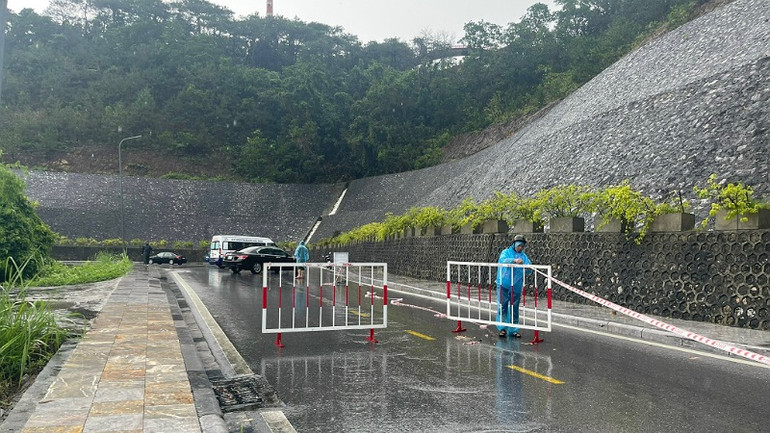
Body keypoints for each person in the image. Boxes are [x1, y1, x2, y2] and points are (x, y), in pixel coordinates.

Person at [495, 234, 532, 338]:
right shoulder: (506, 252)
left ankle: (513, 330)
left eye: (522, 246)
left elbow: (529, 268)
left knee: (514, 308)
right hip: (503, 284)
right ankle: (502, 328)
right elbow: (503, 260)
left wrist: (529, 267)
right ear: (514, 244)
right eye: (519, 245)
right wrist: (514, 260)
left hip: (516, 286)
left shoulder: (524, 256)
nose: (520, 248)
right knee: (503, 306)